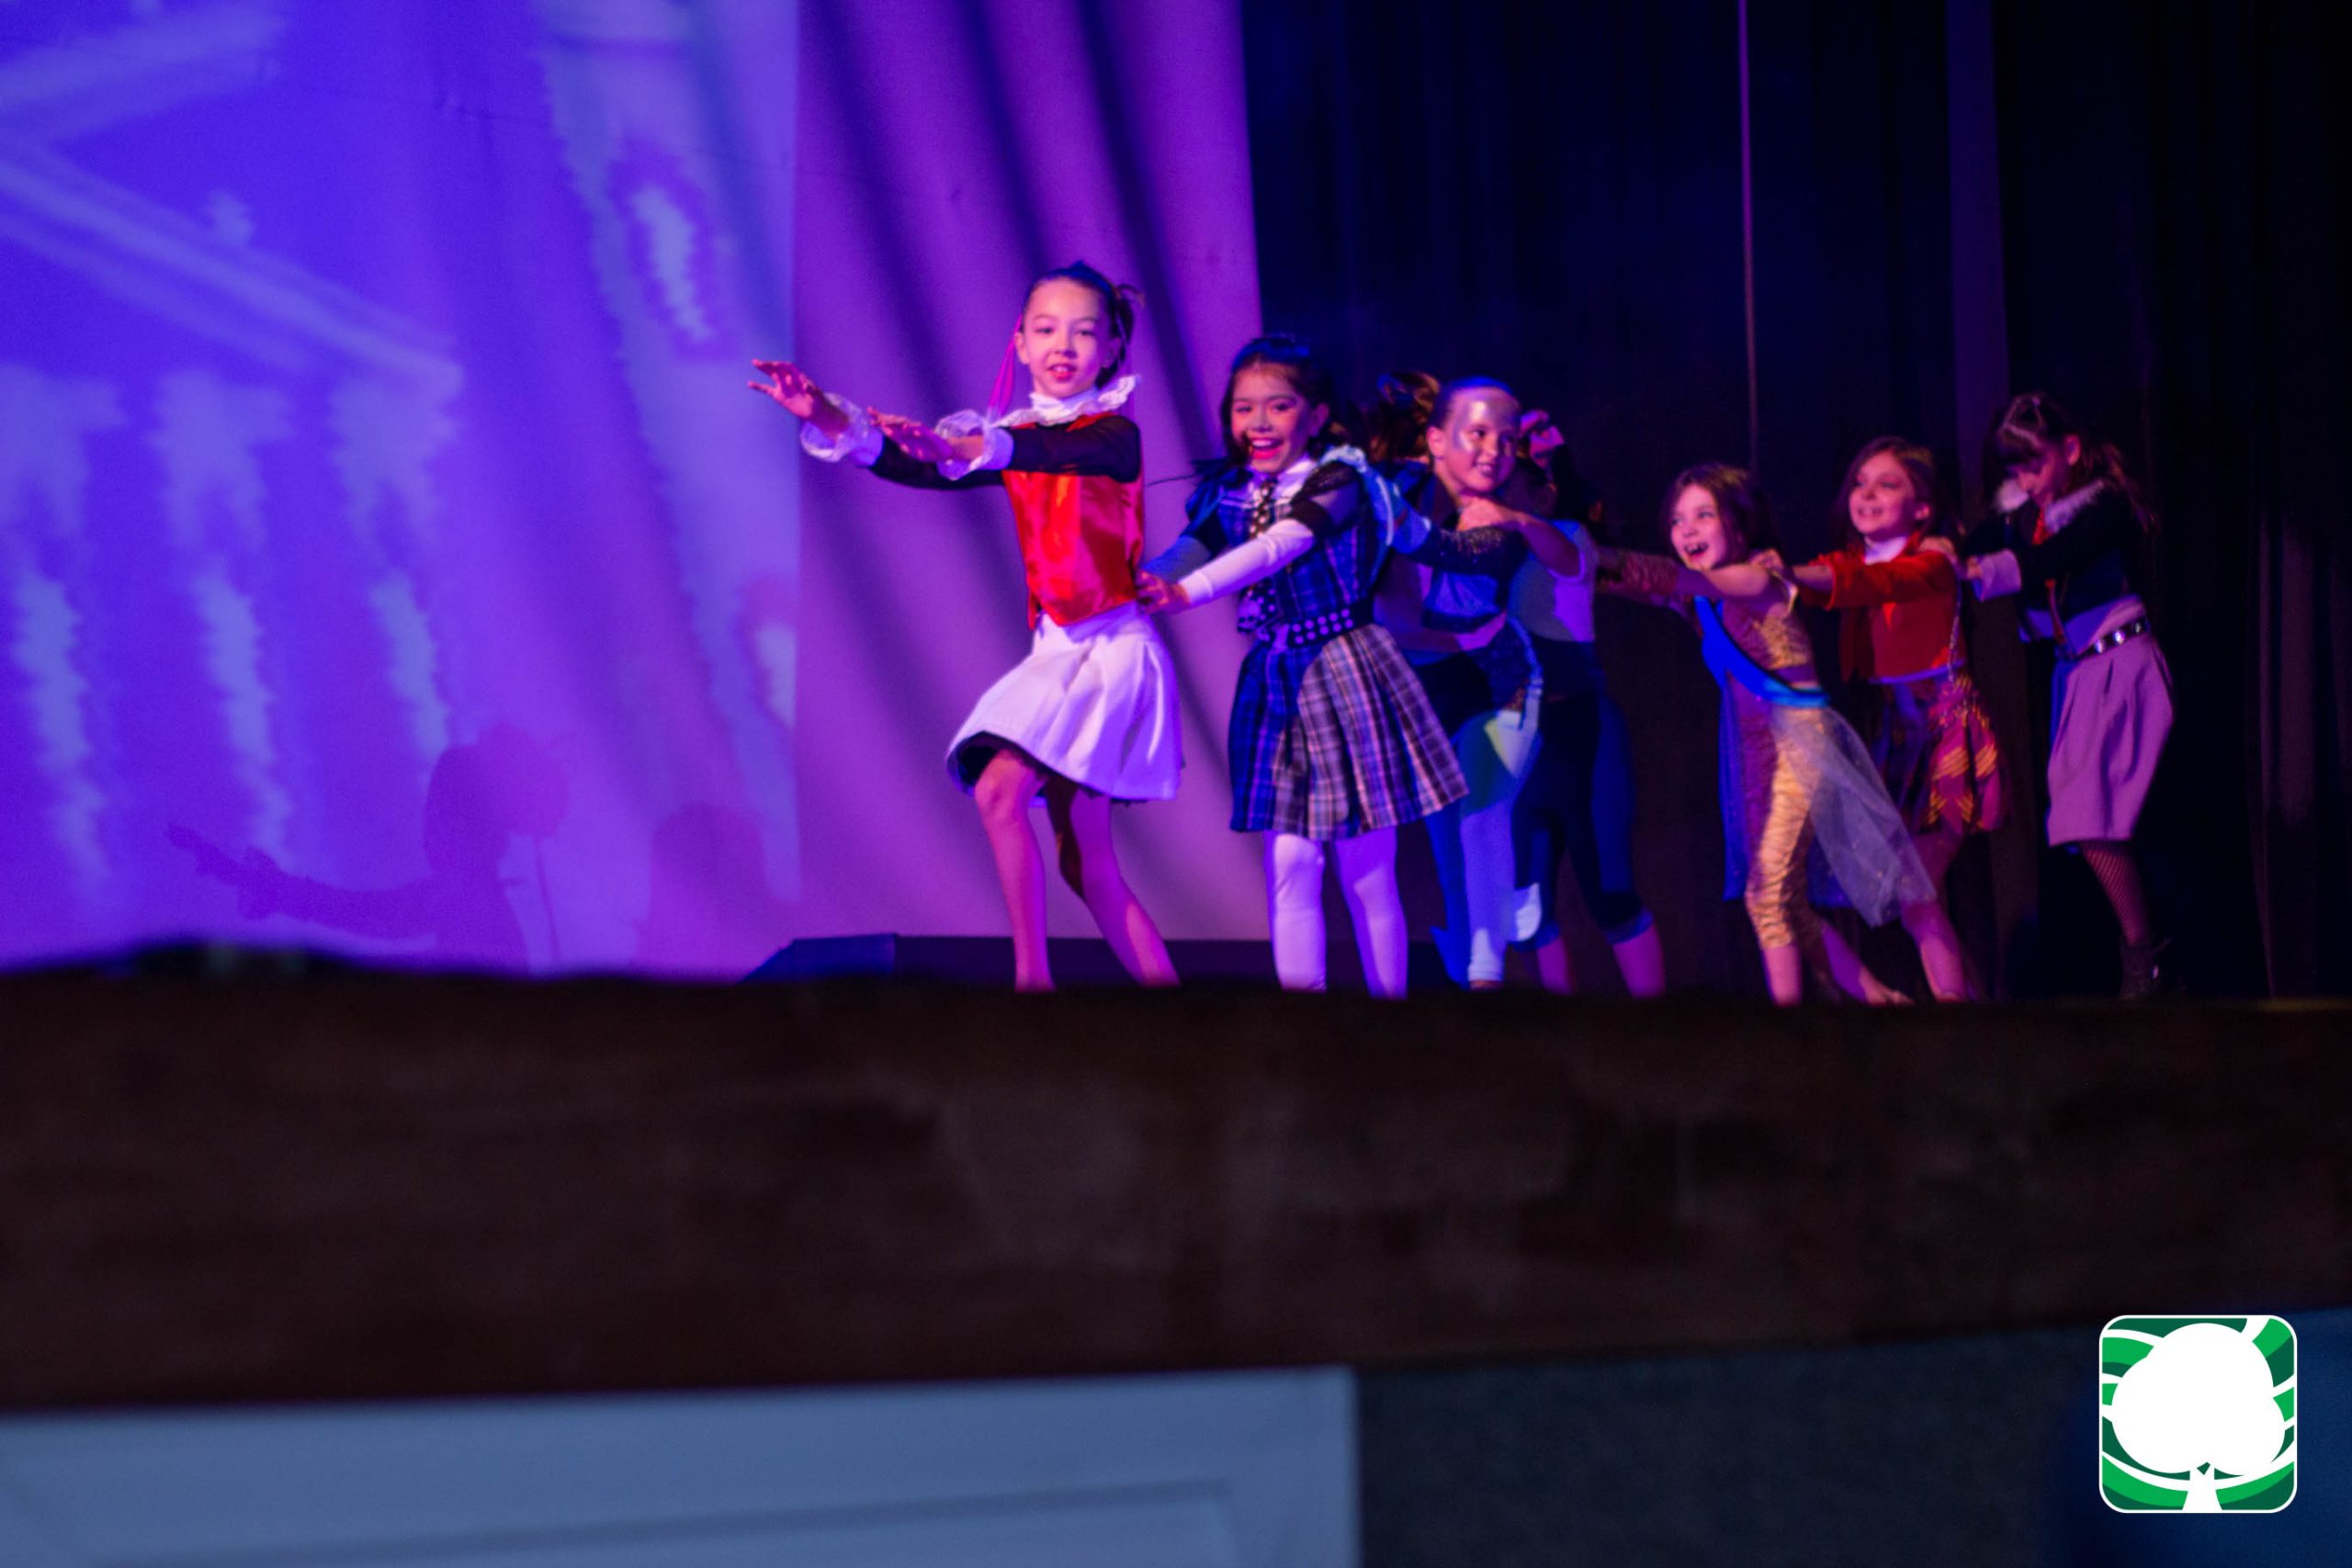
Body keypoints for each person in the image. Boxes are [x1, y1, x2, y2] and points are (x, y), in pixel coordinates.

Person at [749, 262, 1179, 990]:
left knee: (1001, 792)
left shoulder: (1114, 434)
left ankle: (1031, 983)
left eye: (1083, 333)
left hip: (1109, 651)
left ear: (1112, 349)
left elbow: (1049, 450)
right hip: (1058, 650)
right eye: (1046, 329)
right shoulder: (1017, 433)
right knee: (1087, 864)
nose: (1063, 345)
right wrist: (827, 416)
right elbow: (919, 466)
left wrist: (968, 447)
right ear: (1020, 342)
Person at [1136, 337, 1522, 995]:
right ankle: (1303, 1023)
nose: (1258, 423)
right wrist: (1146, 581)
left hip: (1346, 670)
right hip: (1276, 678)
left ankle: (1386, 1013)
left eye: (1279, 406)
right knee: (1289, 861)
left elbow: (1283, 544)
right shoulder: (1230, 491)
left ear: (1316, 415)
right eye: (1243, 408)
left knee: (1365, 868)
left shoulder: (1340, 479)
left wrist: (1185, 593)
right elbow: (1191, 546)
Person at [1603, 464, 1933, 1004]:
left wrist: (1604, 560)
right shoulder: (1700, 599)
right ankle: (1882, 1001)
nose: (1687, 531)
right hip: (1751, 749)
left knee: (1766, 895)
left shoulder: (1758, 581)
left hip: (1796, 741)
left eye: (1703, 515)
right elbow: (1639, 584)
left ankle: (1785, 1029)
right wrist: (1573, 556)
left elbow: (1665, 577)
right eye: (1678, 521)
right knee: (1786, 899)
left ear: (1739, 524)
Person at [1772, 437, 2003, 1000]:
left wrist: (1790, 574)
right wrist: (1775, 575)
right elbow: (1837, 577)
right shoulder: (1853, 562)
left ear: (1922, 508)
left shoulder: (1934, 561)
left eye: (1887, 484)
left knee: (1917, 891)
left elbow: (1875, 584)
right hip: (1894, 736)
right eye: (1860, 483)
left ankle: (1958, 1018)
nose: (1868, 494)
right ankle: (1976, 1016)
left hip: (1944, 729)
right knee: (1914, 896)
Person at [1963, 392, 2171, 997]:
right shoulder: (2021, 517)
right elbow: (1975, 544)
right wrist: (1947, 554)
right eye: (2016, 469)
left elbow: (2055, 558)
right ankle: (2142, 954)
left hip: (2120, 664)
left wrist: (1985, 568)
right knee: (2085, 821)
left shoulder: (2102, 505)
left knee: (2089, 818)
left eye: (2035, 463)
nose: (2026, 480)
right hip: (2077, 673)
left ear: (2071, 450)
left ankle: (2145, 955)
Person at [1370, 378, 1547, 989]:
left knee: (1481, 819)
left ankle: (1486, 980)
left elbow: (1439, 556)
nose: (1495, 450)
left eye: (1508, 439)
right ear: (1436, 440)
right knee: (1451, 858)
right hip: (1422, 692)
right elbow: (1391, 611)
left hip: (1498, 682)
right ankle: (1471, 983)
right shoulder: (1399, 488)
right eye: (1478, 434)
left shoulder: (1504, 516)